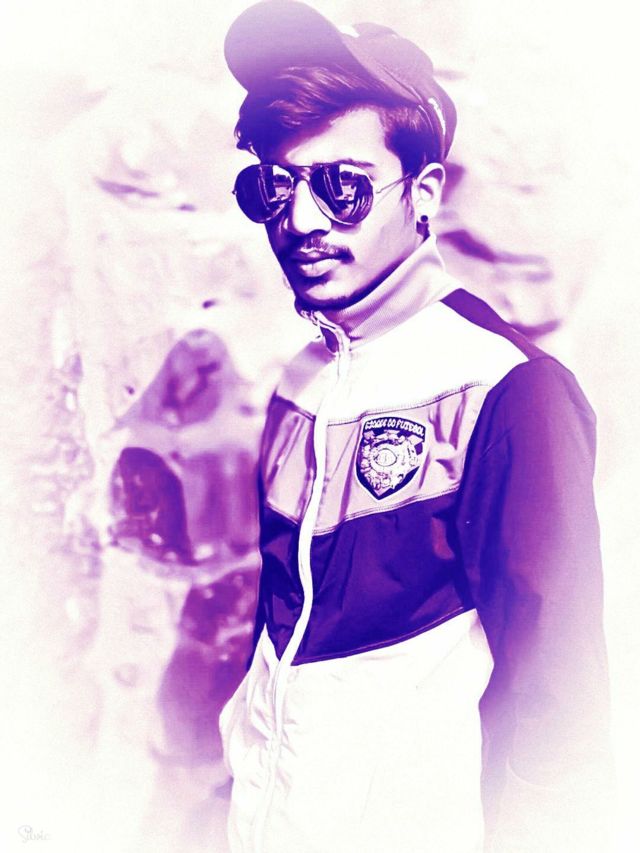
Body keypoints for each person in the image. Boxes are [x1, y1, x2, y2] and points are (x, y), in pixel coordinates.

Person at [219, 2, 613, 851]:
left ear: (424, 192)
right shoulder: (301, 381)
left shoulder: (509, 389)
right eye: (274, 188)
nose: (301, 220)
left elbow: (562, 714)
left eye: (343, 186)